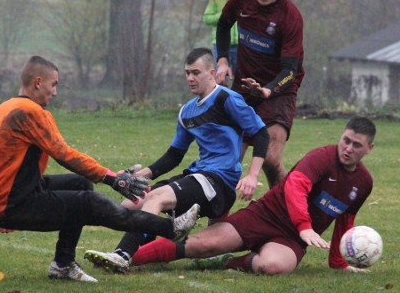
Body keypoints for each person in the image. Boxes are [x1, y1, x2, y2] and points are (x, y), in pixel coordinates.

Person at [0, 56, 200, 282]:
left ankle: (62, 264)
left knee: (79, 185)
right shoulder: (29, 111)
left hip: (6, 194)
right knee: (87, 202)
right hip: (10, 204)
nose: (55, 92)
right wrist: (113, 179)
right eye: (54, 85)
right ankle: (171, 229)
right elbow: (65, 155)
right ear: (38, 82)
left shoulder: (6, 107)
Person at [83, 47, 269, 274]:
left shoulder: (226, 98)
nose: (190, 78)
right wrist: (136, 178)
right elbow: (174, 155)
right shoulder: (187, 112)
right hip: (198, 174)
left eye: (196, 72)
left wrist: (252, 175)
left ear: (212, 73)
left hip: (219, 181)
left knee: (156, 198)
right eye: (187, 73)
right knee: (132, 203)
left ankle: (122, 254)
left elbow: (260, 133)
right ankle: (152, 242)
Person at [128, 117, 376, 276]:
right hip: (265, 215)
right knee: (202, 244)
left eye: (356, 145)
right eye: (346, 141)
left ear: (369, 149)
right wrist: (305, 226)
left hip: (292, 239)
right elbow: (294, 187)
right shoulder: (321, 157)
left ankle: (228, 262)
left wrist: (339, 261)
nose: (348, 148)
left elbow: (345, 221)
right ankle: (128, 258)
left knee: (272, 267)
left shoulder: (364, 183)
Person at [214, 0, 304, 189]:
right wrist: (222, 59)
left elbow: (290, 70)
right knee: (229, 160)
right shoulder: (241, 0)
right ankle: (216, 222)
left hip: (279, 91)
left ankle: (286, 211)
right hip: (244, 88)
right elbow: (223, 24)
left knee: (271, 159)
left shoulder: (290, 17)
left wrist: (268, 90)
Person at [202, 0, 240, 74]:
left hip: (239, 45)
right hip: (219, 44)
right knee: (219, 76)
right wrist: (223, 15)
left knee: (240, 77)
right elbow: (207, 18)